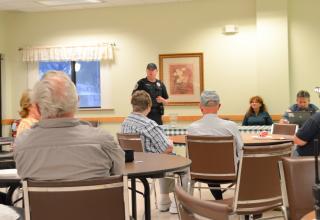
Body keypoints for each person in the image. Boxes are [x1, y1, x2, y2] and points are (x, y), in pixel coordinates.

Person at [14, 71, 124, 181]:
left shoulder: (22, 144)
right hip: (93, 198)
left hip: (43, 199)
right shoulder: (104, 140)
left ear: (37, 107)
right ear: (77, 102)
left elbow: (22, 175)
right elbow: (119, 173)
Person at [121, 90, 187, 214]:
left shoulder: (125, 123)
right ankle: (177, 203)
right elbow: (167, 148)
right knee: (182, 164)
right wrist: (170, 142)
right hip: (150, 166)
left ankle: (164, 200)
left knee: (163, 158)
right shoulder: (149, 124)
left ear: (133, 105)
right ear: (149, 106)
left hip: (132, 166)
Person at [187, 90, 243, 200]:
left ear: (200, 106)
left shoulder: (192, 128)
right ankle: (250, 204)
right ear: (219, 106)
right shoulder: (231, 126)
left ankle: (219, 200)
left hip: (201, 173)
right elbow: (241, 150)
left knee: (208, 161)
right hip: (229, 172)